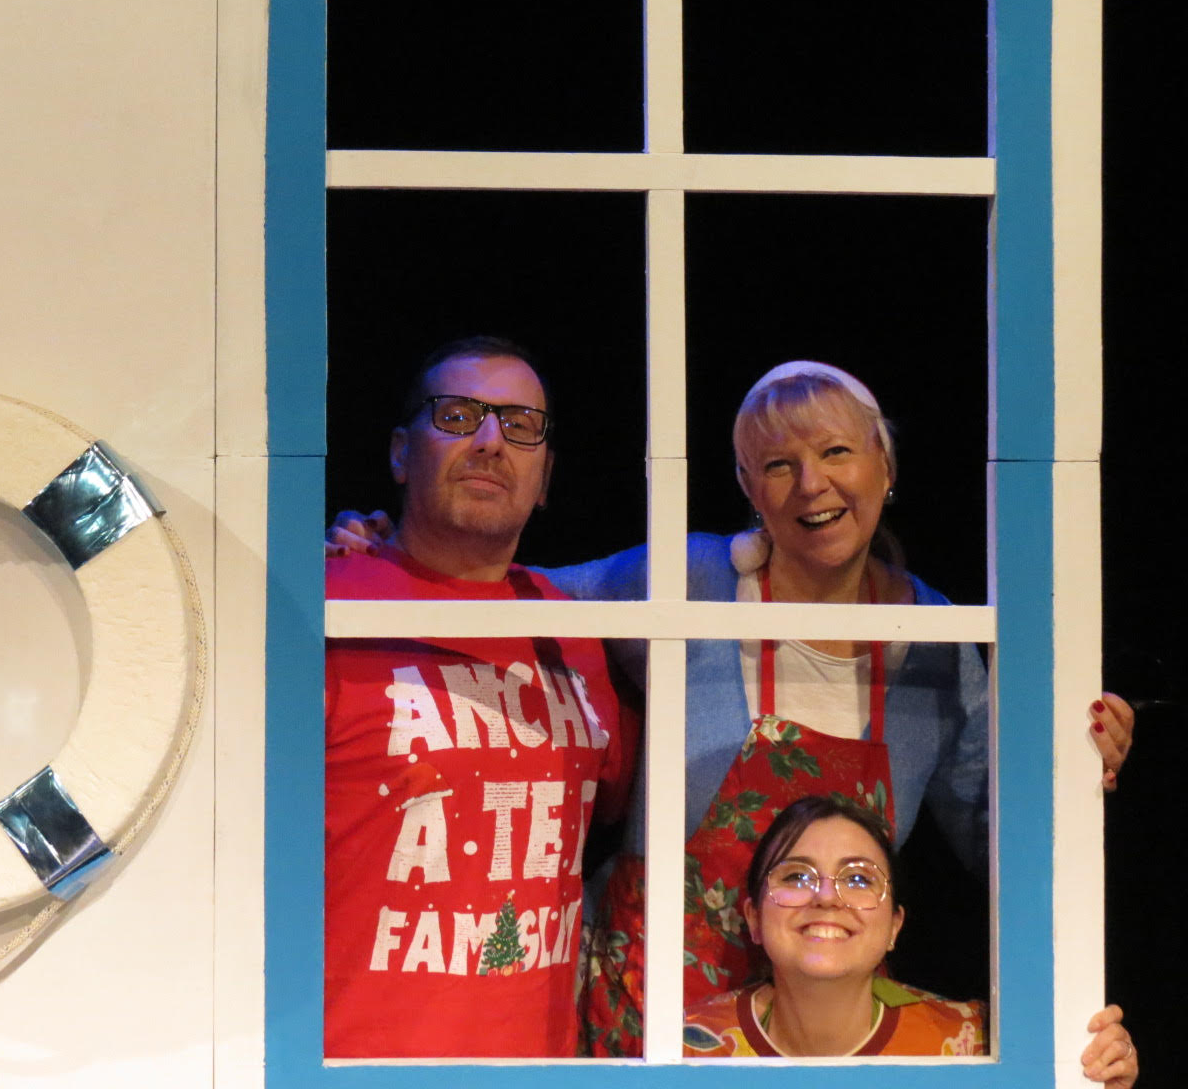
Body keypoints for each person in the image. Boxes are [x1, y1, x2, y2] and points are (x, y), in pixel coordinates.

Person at [329, 361, 1134, 1054]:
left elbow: (1009, 843)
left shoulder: (938, 642)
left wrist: (1075, 769)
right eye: (778, 464)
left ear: (885, 467)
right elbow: (507, 593)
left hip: (817, 1026)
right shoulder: (690, 583)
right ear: (749, 488)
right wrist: (379, 554)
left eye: (836, 452)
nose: (811, 484)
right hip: (648, 1024)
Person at [325, 336, 637, 1057]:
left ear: (545, 476)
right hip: (355, 1060)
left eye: (521, 425)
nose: (492, 442)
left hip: (538, 1062)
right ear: (401, 453)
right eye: (458, 416)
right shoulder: (331, 606)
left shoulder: (572, 629)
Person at [682, 796, 1139, 1086]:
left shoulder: (980, 1041)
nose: (826, 896)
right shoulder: (682, 1047)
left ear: (894, 927)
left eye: (858, 879)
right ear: (754, 918)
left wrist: (1098, 1073)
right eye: (797, 876)